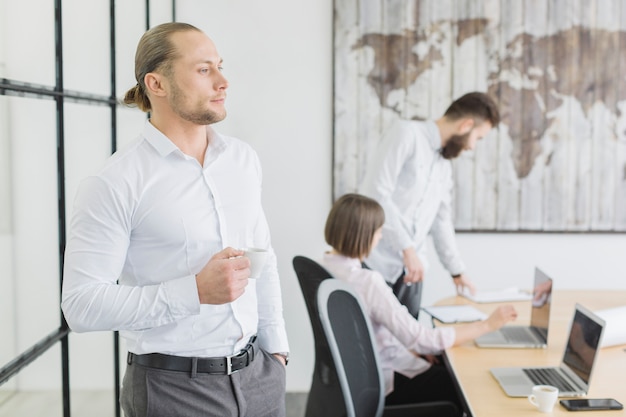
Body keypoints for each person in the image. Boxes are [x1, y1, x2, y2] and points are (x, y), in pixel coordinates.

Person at [61, 22, 289, 417]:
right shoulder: (114, 183)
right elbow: (80, 305)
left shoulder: (242, 160)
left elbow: (261, 258)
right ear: (157, 84)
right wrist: (194, 291)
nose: (223, 81)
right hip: (172, 393)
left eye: (219, 66)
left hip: (260, 378)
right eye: (204, 70)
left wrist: (277, 349)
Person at [320, 193, 517, 412]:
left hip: (355, 381)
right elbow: (423, 340)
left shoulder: (324, 268)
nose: (381, 237)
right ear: (364, 235)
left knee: (442, 363)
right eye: (378, 231)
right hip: (386, 382)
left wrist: (414, 350)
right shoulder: (367, 281)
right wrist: (487, 325)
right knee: (464, 383)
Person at [359, 92, 501, 317]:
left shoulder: (444, 166)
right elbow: (375, 195)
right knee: (371, 347)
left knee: (408, 348)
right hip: (376, 265)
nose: (473, 147)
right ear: (466, 125)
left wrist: (457, 271)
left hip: (411, 274)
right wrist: (407, 248)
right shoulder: (406, 134)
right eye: (478, 138)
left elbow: (441, 221)